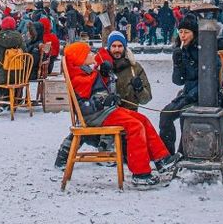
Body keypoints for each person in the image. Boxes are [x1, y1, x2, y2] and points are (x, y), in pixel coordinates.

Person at [54, 42, 180, 187]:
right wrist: (104, 101)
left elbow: (99, 88)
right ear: (79, 59)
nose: (92, 54)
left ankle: (161, 158)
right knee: (135, 126)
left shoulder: (87, 72)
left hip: (105, 112)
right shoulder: (79, 78)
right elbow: (85, 106)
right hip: (97, 115)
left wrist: (105, 78)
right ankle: (140, 173)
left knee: (142, 119)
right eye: (88, 53)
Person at [159, 15, 209, 154]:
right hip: (187, 93)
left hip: (202, 95)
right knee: (165, 115)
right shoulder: (182, 51)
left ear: (194, 33)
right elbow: (178, 81)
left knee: (184, 115)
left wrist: (191, 96)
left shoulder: (202, 51)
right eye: (180, 32)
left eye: (186, 32)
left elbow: (207, 80)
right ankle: (167, 154)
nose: (183, 35)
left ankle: (184, 153)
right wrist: (177, 62)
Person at [102, 31, 151, 111]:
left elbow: (146, 99)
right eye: (113, 46)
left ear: (125, 47)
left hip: (131, 113)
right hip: (108, 114)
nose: (117, 49)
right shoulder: (101, 66)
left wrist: (139, 89)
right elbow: (93, 96)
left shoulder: (135, 68)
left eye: (120, 46)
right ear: (109, 47)